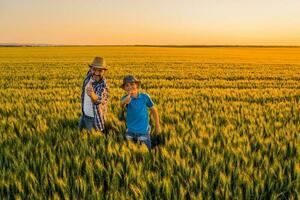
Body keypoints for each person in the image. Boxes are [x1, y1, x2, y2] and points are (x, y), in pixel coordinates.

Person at [120, 75, 161, 152]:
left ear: (137, 85)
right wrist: (126, 100)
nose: (130, 87)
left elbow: (154, 110)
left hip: (143, 132)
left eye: (132, 84)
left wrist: (157, 126)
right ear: (125, 88)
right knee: (129, 154)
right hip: (130, 132)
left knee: (145, 154)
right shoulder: (124, 98)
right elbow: (121, 104)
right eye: (127, 85)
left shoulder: (145, 97)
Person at [79, 57, 109, 132]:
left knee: (90, 140)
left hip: (94, 119)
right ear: (91, 69)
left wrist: (92, 94)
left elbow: (99, 100)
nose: (96, 73)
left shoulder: (103, 85)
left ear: (104, 71)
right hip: (84, 115)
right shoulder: (89, 76)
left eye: (100, 70)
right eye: (94, 69)